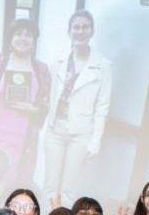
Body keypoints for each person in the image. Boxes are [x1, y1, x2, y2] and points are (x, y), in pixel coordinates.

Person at [43, 10, 113, 202]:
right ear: (69, 31)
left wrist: (95, 140)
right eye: (76, 27)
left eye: (85, 27)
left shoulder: (103, 65)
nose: (80, 31)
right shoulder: (58, 61)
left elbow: (102, 107)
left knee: (69, 187)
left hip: (81, 133)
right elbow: (48, 96)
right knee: (50, 183)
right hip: (55, 129)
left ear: (91, 31)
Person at [0, 19, 51, 182]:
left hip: (24, 137)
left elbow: (46, 104)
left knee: (17, 180)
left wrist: (33, 109)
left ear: (34, 42)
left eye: (28, 35)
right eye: (18, 34)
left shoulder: (41, 69)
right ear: (11, 39)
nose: (23, 38)